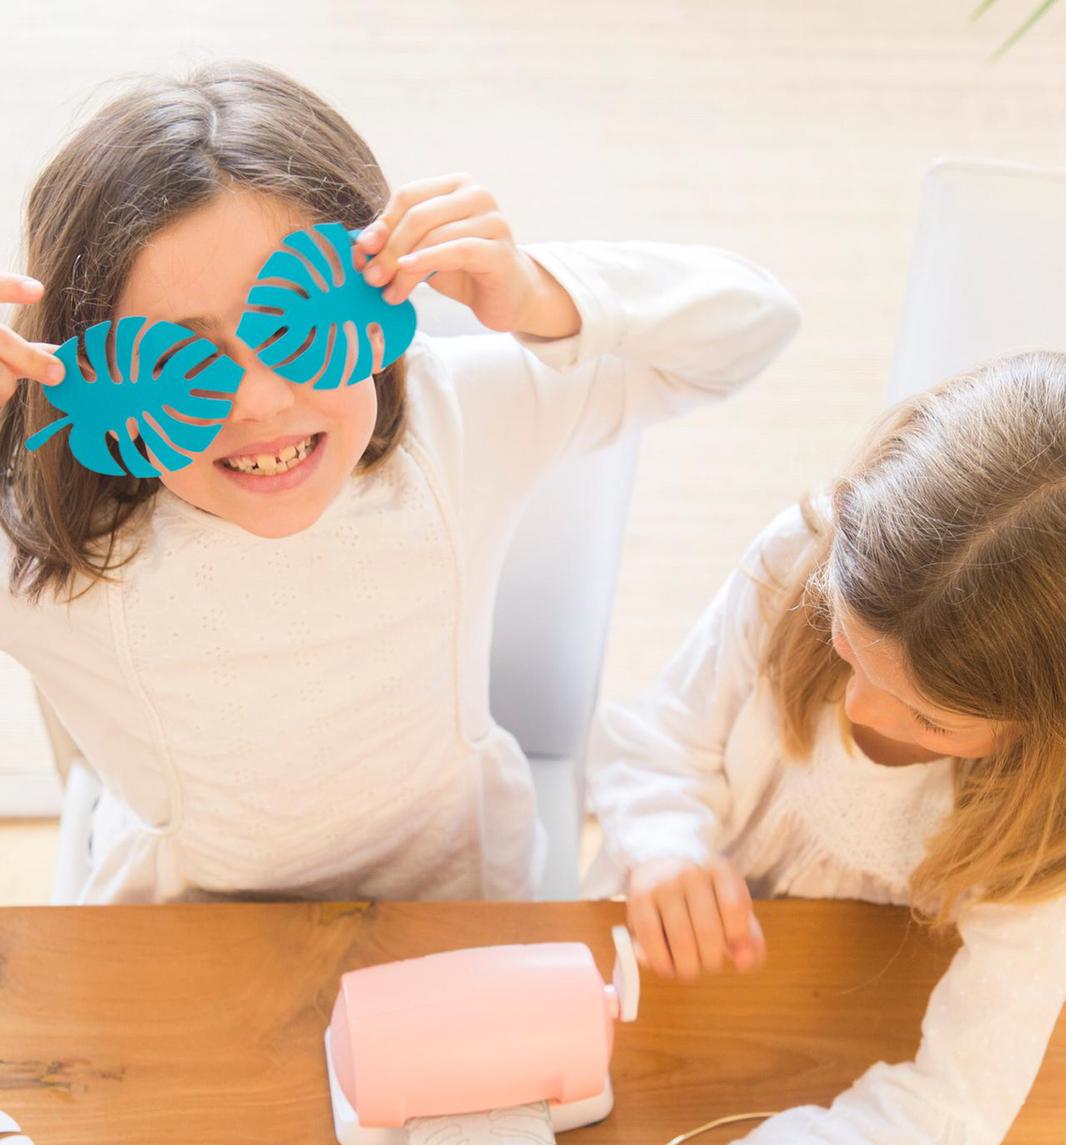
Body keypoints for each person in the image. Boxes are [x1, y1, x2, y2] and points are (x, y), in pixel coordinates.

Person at [0, 59, 798, 905]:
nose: (259, 400)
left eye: (293, 324)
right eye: (175, 365)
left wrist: (539, 293)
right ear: (81, 375)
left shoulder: (454, 420)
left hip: (461, 911)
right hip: (189, 938)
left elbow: (751, 325)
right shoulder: (51, 563)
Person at [458, 353, 1066, 1145]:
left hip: (837, 1018)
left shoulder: (1046, 840)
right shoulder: (798, 561)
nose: (862, 711)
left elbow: (947, 1124)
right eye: (847, 644)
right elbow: (662, 738)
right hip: (658, 976)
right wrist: (665, 846)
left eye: (926, 717)